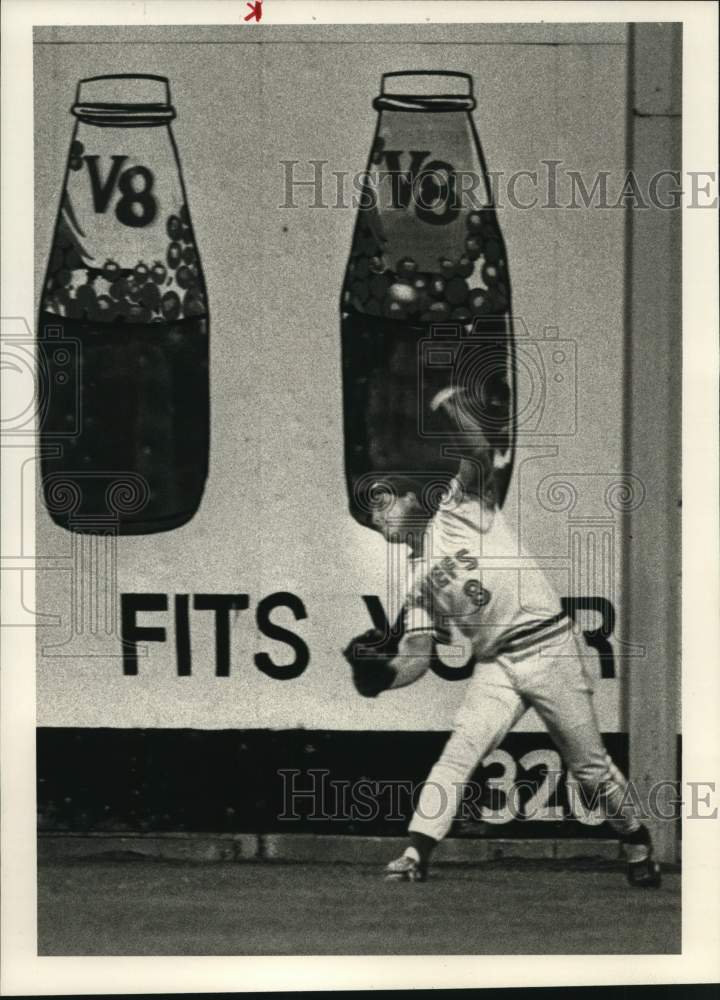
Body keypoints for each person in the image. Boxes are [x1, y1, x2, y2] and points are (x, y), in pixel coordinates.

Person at [343, 411, 661, 889]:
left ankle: (636, 838)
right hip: (497, 666)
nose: (378, 515)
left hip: (550, 648)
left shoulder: (456, 513)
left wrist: (453, 412)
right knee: (458, 754)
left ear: (411, 497)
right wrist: (383, 678)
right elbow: (418, 654)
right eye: (373, 512)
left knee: (589, 766)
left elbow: (477, 454)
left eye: (384, 502)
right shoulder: (415, 585)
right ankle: (414, 852)